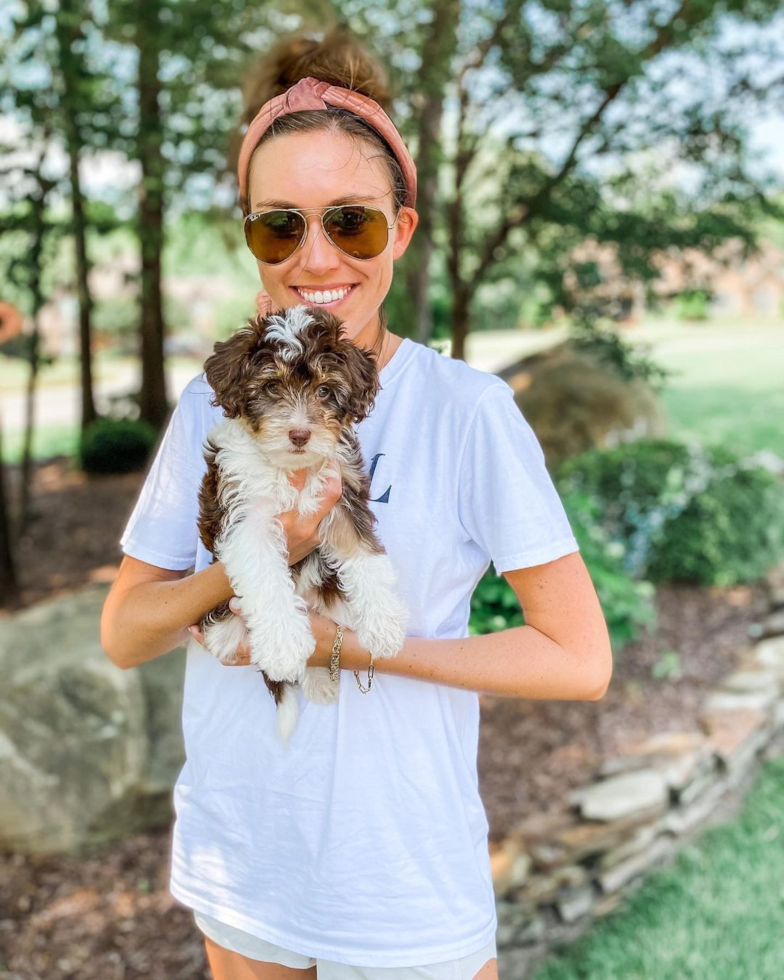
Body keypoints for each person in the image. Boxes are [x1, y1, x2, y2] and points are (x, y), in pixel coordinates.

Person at [100, 28, 612, 980]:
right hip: (243, 864)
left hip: (402, 893)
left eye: (354, 222)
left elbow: (578, 660)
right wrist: (243, 570)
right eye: (279, 225)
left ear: (402, 231)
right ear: (250, 237)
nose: (316, 255)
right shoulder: (211, 406)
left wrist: (355, 644)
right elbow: (127, 634)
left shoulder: (469, 413)